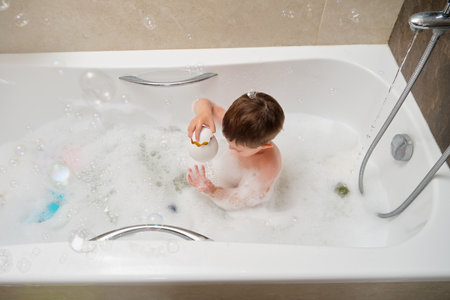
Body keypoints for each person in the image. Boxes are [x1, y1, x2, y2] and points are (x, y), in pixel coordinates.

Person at [187, 91, 285, 210]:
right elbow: (203, 102)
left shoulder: (268, 168)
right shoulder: (234, 126)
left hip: (249, 208)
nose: (229, 148)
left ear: (265, 145)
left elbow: (242, 200)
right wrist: (204, 113)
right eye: (228, 142)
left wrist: (212, 191)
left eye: (238, 149)